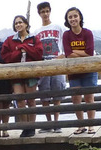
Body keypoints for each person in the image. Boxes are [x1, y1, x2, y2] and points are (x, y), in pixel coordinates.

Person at [1, 15, 43, 138]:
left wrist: (23, 46)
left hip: (31, 74)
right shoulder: (9, 41)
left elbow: (38, 55)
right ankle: (25, 127)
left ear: (26, 24)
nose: (18, 25)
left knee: (31, 100)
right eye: (16, 23)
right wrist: (20, 51)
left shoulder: (35, 39)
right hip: (16, 76)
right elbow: (6, 58)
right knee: (20, 101)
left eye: (20, 22)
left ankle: (32, 127)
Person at [63, 7, 98, 135]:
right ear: (67, 20)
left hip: (89, 70)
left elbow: (90, 53)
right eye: (70, 17)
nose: (73, 19)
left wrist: (75, 52)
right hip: (73, 72)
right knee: (76, 99)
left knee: (89, 98)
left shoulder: (87, 33)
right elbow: (67, 54)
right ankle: (81, 125)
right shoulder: (66, 35)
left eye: (75, 16)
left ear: (80, 17)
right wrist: (84, 54)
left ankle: (91, 125)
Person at [34, 1, 66, 134]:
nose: (45, 14)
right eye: (42, 12)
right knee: (45, 94)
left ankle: (56, 123)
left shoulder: (58, 27)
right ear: (39, 14)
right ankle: (48, 123)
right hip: (43, 65)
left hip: (57, 64)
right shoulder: (36, 31)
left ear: (50, 11)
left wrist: (62, 56)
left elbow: (64, 46)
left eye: (47, 11)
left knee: (57, 93)